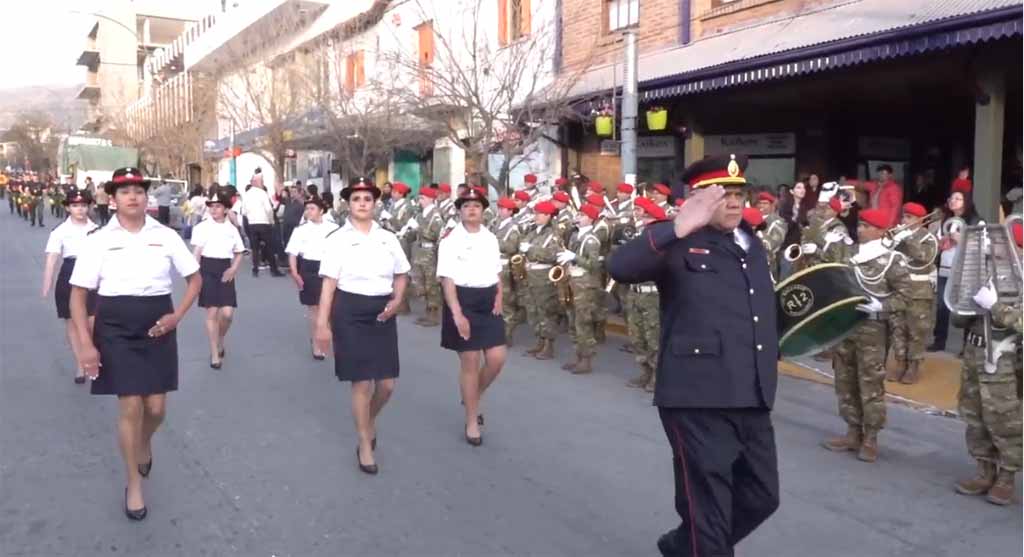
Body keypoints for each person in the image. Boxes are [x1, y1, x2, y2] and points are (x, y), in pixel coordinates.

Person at [608, 154, 780, 557]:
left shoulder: (750, 244)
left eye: (740, 193)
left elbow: (759, 311)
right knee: (710, 512)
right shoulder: (676, 239)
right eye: (723, 194)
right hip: (696, 397)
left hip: (750, 393)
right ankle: (701, 544)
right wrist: (680, 225)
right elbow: (620, 266)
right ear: (697, 199)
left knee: (762, 496)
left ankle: (683, 546)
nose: (735, 202)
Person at [69, 167, 202, 521]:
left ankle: (144, 442)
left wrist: (177, 317)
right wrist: (85, 344)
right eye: (124, 191)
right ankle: (134, 484)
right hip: (114, 324)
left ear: (147, 197)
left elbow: (194, 279)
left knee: (156, 409)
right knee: (130, 405)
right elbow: (78, 296)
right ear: (112, 200)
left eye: (139, 190)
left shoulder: (166, 235)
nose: (133, 196)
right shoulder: (97, 240)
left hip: (158, 320)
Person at [315, 177, 410, 475]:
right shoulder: (337, 240)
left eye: (367, 199)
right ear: (348, 204)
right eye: (356, 200)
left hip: (382, 311)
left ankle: (367, 420)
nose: (362, 204)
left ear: (375, 203)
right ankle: (364, 442)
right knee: (362, 382)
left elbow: (402, 273)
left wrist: (398, 299)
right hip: (350, 311)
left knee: (386, 384)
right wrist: (322, 325)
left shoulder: (388, 238)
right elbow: (329, 284)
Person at [820, 208, 912, 462]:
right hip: (846, 326)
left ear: (881, 230)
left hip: (872, 329)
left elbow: (906, 296)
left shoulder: (892, 260)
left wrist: (882, 306)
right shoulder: (849, 255)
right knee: (844, 379)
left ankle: (870, 437)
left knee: (870, 383)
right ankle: (852, 431)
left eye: (867, 226)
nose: (860, 229)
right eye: (859, 224)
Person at [952, 223, 1022, 506]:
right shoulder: (982, 274)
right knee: (973, 414)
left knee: (1004, 419)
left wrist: (994, 306)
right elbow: (958, 318)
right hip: (973, 352)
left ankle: (1006, 476)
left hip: (1002, 357)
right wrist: (963, 301)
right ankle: (984, 470)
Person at [437, 188, 507, 446]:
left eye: (476, 205)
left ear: (483, 209)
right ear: (460, 210)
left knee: (497, 358)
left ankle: (472, 395)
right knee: (470, 360)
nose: (472, 209)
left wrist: (499, 295)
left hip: (488, 301)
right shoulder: (450, 239)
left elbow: (496, 270)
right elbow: (447, 279)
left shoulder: (490, 237)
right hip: (463, 301)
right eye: (466, 205)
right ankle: (471, 419)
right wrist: (457, 314)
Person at [41, 187, 99, 384]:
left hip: (93, 274)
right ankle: (80, 364)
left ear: (89, 207)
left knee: (92, 321)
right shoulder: (60, 231)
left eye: (83, 205)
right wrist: (47, 283)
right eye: (75, 206)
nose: (80, 209)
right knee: (73, 323)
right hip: (69, 272)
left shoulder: (97, 230)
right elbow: (52, 258)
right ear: (68, 208)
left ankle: (91, 352)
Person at [190, 189, 244, 369]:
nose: (214, 210)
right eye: (211, 206)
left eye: (218, 206)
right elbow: (196, 252)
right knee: (212, 312)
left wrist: (234, 268)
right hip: (207, 269)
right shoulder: (202, 227)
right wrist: (193, 276)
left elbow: (239, 252)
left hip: (225, 269)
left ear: (226, 209)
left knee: (227, 314)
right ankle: (214, 353)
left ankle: (220, 337)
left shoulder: (231, 229)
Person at [886, 202, 939, 384]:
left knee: (916, 329)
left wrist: (909, 238)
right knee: (898, 328)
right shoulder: (899, 236)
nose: (904, 220)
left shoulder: (928, 238)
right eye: (904, 216)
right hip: (900, 289)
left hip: (919, 291)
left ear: (919, 220)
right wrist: (893, 241)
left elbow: (925, 259)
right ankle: (900, 362)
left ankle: (913, 365)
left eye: (909, 217)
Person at [621, 197, 667, 392]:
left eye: (648, 218)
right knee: (636, 336)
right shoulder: (639, 239)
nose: (643, 220)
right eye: (644, 217)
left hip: (652, 295)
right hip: (635, 292)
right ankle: (645, 371)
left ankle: (658, 376)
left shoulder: (664, 244)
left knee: (653, 337)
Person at [286, 196, 339, 360]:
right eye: (307, 209)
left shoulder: (334, 228)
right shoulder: (301, 230)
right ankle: (317, 344)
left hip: (330, 268)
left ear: (321, 210)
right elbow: (292, 253)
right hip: (309, 269)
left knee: (329, 307)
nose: (308, 212)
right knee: (315, 309)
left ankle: (325, 336)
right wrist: (294, 273)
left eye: (312, 209)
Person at [556, 202, 604, 375]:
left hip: (585, 284)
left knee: (583, 322)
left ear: (590, 219)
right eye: (578, 215)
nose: (577, 218)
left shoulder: (591, 240)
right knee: (573, 320)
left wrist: (574, 257)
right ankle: (578, 355)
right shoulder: (576, 236)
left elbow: (594, 265)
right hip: (573, 281)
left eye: (582, 215)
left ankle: (586, 360)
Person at [931, 182, 979, 351]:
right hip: (945, 267)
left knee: (965, 308)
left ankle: (966, 346)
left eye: (958, 198)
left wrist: (962, 240)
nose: (953, 201)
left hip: (964, 270)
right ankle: (939, 341)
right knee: (942, 307)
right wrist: (941, 243)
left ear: (966, 202)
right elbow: (937, 243)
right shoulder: (946, 220)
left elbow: (980, 245)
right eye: (952, 198)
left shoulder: (975, 221)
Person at [521, 201, 562, 360]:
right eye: (535, 213)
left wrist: (531, 250)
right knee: (533, 310)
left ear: (548, 216)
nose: (535, 216)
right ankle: (539, 340)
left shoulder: (553, 234)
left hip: (543, 276)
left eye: (539, 213)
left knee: (546, 311)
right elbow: (522, 244)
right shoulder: (533, 231)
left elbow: (553, 254)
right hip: (530, 274)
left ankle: (548, 345)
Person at [491, 196, 525, 343]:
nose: (499, 210)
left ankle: (507, 333)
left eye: (502, 208)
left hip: (504, 265)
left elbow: (512, 247)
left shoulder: (513, 227)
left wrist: (493, 241)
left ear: (510, 211)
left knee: (505, 300)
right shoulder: (495, 223)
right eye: (498, 207)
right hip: (491, 263)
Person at [410, 187, 445, 326]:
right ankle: (427, 311)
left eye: (423, 198)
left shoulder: (435, 215)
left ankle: (434, 314)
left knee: (431, 284)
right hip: (419, 251)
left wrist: (419, 228)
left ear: (431, 199)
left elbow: (438, 236)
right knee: (421, 283)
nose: (420, 201)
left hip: (430, 253)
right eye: (420, 198)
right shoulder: (420, 215)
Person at [240, 176, 284, 277]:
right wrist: (271, 220)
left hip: (252, 223)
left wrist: (251, 218)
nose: (262, 183)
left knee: (255, 248)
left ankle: (255, 269)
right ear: (256, 182)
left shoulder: (246, 194)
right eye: (261, 181)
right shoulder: (262, 193)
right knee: (269, 246)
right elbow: (268, 209)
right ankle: (274, 270)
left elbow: (244, 211)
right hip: (264, 222)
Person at [858, 164, 903, 228]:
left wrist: (890, 224)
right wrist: (845, 182)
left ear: (890, 175)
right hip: (874, 220)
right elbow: (861, 184)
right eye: (879, 173)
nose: (880, 175)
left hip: (885, 222)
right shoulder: (875, 185)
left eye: (883, 173)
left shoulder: (893, 188)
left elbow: (895, 207)